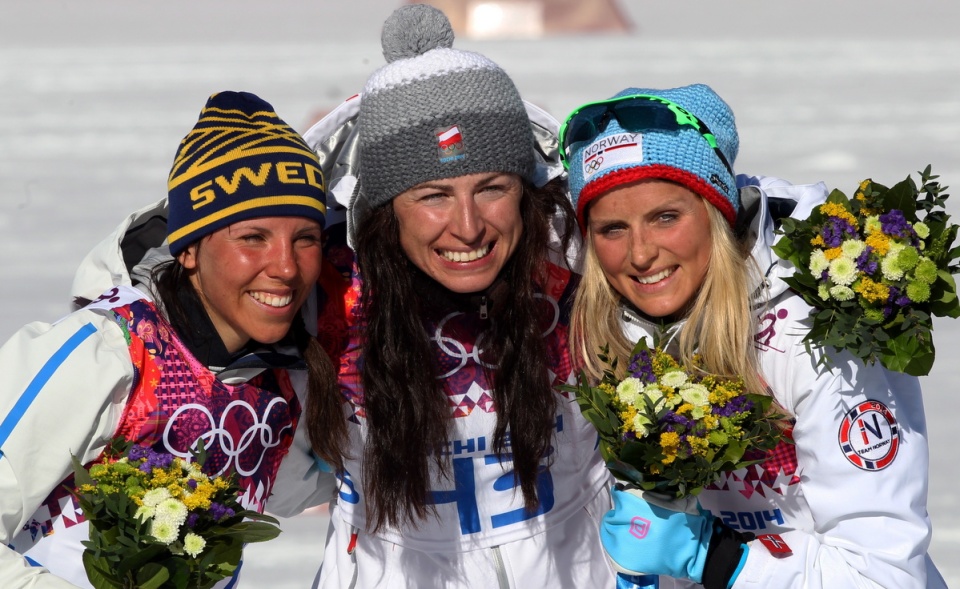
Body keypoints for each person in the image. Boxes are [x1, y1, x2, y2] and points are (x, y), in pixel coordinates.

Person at [280, 5, 646, 588]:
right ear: (383, 212)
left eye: (493, 188)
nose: (469, 227)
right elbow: (281, 485)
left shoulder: (586, 275)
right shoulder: (325, 300)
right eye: (433, 196)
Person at [563, 83, 947, 588]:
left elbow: (885, 573)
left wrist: (716, 558)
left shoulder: (819, 329)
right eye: (612, 228)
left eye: (666, 217)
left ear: (716, 212)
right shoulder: (608, 324)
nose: (639, 254)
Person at [0, 90, 342, 588]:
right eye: (253, 237)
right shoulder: (106, 353)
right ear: (188, 249)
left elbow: (297, 488)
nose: (286, 267)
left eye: (305, 238)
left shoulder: (280, 384)